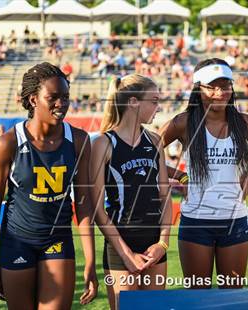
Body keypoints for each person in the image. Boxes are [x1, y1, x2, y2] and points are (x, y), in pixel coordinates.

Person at [0, 62, 98, 309]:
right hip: (17, 241)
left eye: (65, 97)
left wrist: (90, 261)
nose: (61, 103)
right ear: (33, 99)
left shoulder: (78, 140)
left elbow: (84, 204)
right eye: (53, 97)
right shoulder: (8, 143)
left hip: (57, 239)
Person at [159, 58, 248, 288]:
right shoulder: (184, 122)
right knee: (198, 296)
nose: (220, 92)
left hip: (235, 220)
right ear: (198, 89)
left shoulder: (246, 123)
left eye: (225, 85)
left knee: (231, 294)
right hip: (196, 222)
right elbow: (148, 153)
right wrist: (179, 176)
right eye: (212, 86)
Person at [90, 74, 171, 310]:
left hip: (154, 247)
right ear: (134, 102)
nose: (158, 108)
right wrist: (126, 255)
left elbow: (165, 198)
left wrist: (162, 244)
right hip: (119, 246)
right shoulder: (103, 143)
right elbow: (96, 208)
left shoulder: (155, 141)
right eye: (154, 101)